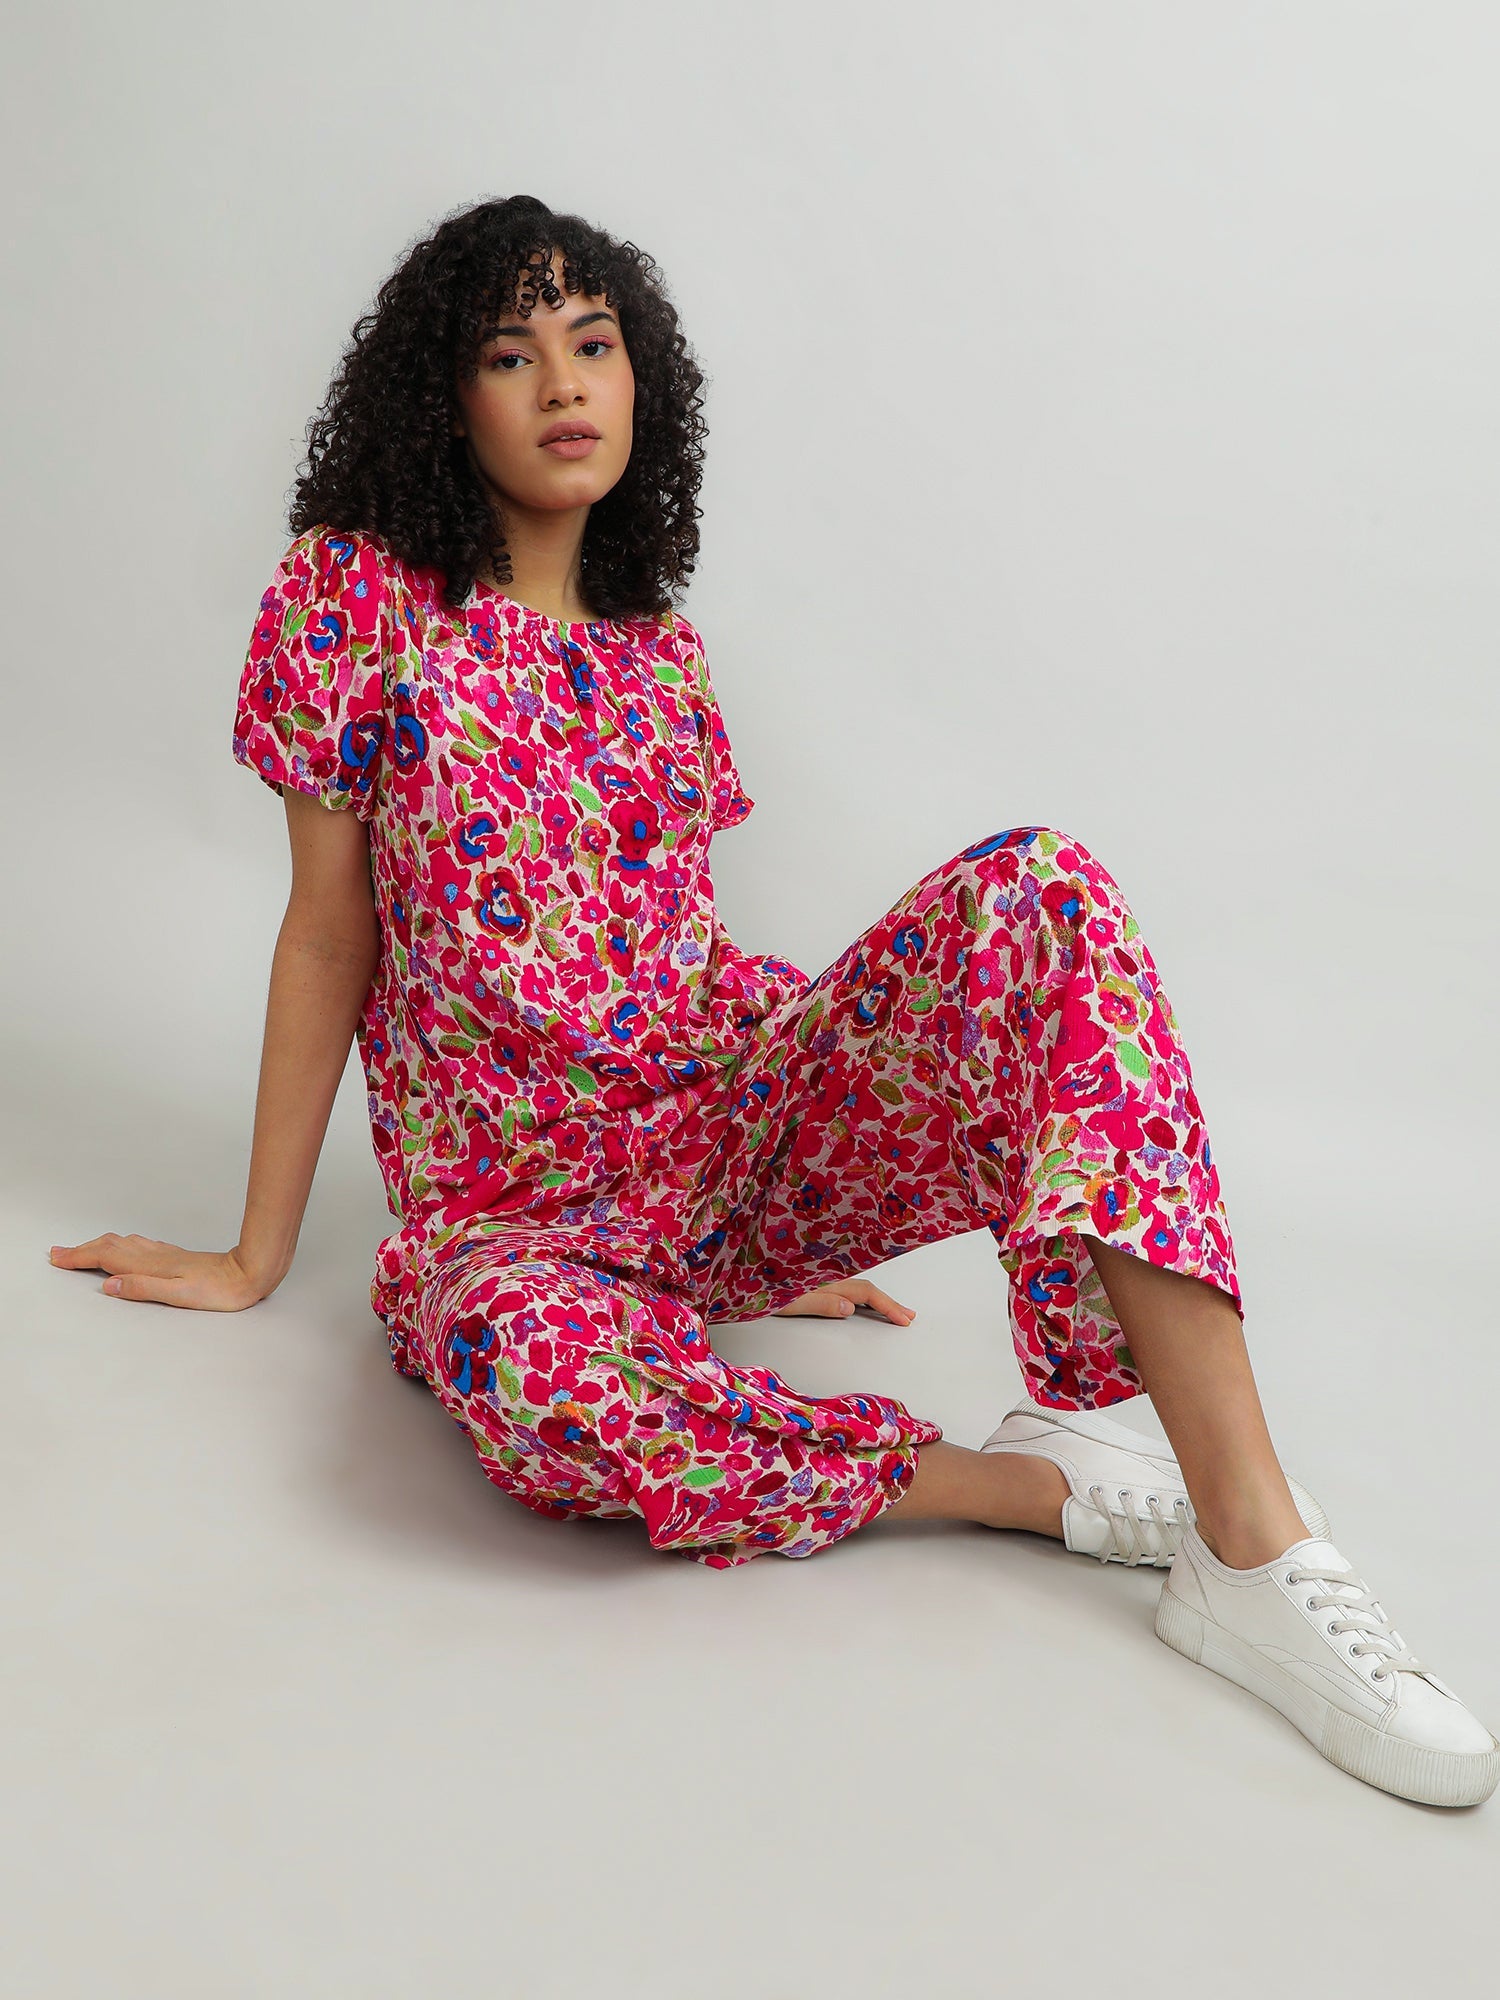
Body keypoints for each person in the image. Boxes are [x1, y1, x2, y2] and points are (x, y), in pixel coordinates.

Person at [49, 194, 1496, 1809]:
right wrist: (256, 1252)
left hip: (712, 1152)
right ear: (444, 400)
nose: (562, 383)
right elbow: (330, 937)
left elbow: (680, 955)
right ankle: (1022, 1489)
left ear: (641, 378)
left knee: (1046, 890)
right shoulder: (356, 600)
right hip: (512, 1220)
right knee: (542, 1390)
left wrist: (797, 1191)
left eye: (593, 343)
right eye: (509, 355)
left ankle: (1255, 1544)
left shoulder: (659, 654)